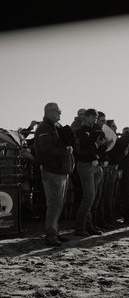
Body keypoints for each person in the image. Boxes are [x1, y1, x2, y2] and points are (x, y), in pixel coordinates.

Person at [34, 102, 74, 246]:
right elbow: (46, 150)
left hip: (59, 170)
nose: (60, 113)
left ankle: (54, 232)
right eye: (58, 111)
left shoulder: (53, 127)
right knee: (54, 204)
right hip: (52, 171)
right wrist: (66, 151)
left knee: (58, 204)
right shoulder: (44, 127)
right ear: (49, 112)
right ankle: (51, 235)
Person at [75, 108, 106, 237]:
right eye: (93, 117)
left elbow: (99, 146)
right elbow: (83, 146)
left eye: (96, 117)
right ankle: (80, 227)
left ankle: (88, 225)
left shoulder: (93, 130)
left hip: (94, 165)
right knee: (89, 198)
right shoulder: (82, 130)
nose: (95, 119)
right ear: (87, 117)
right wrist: (96, 143)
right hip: (85, 165)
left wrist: (99, 145)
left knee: (93, 198)